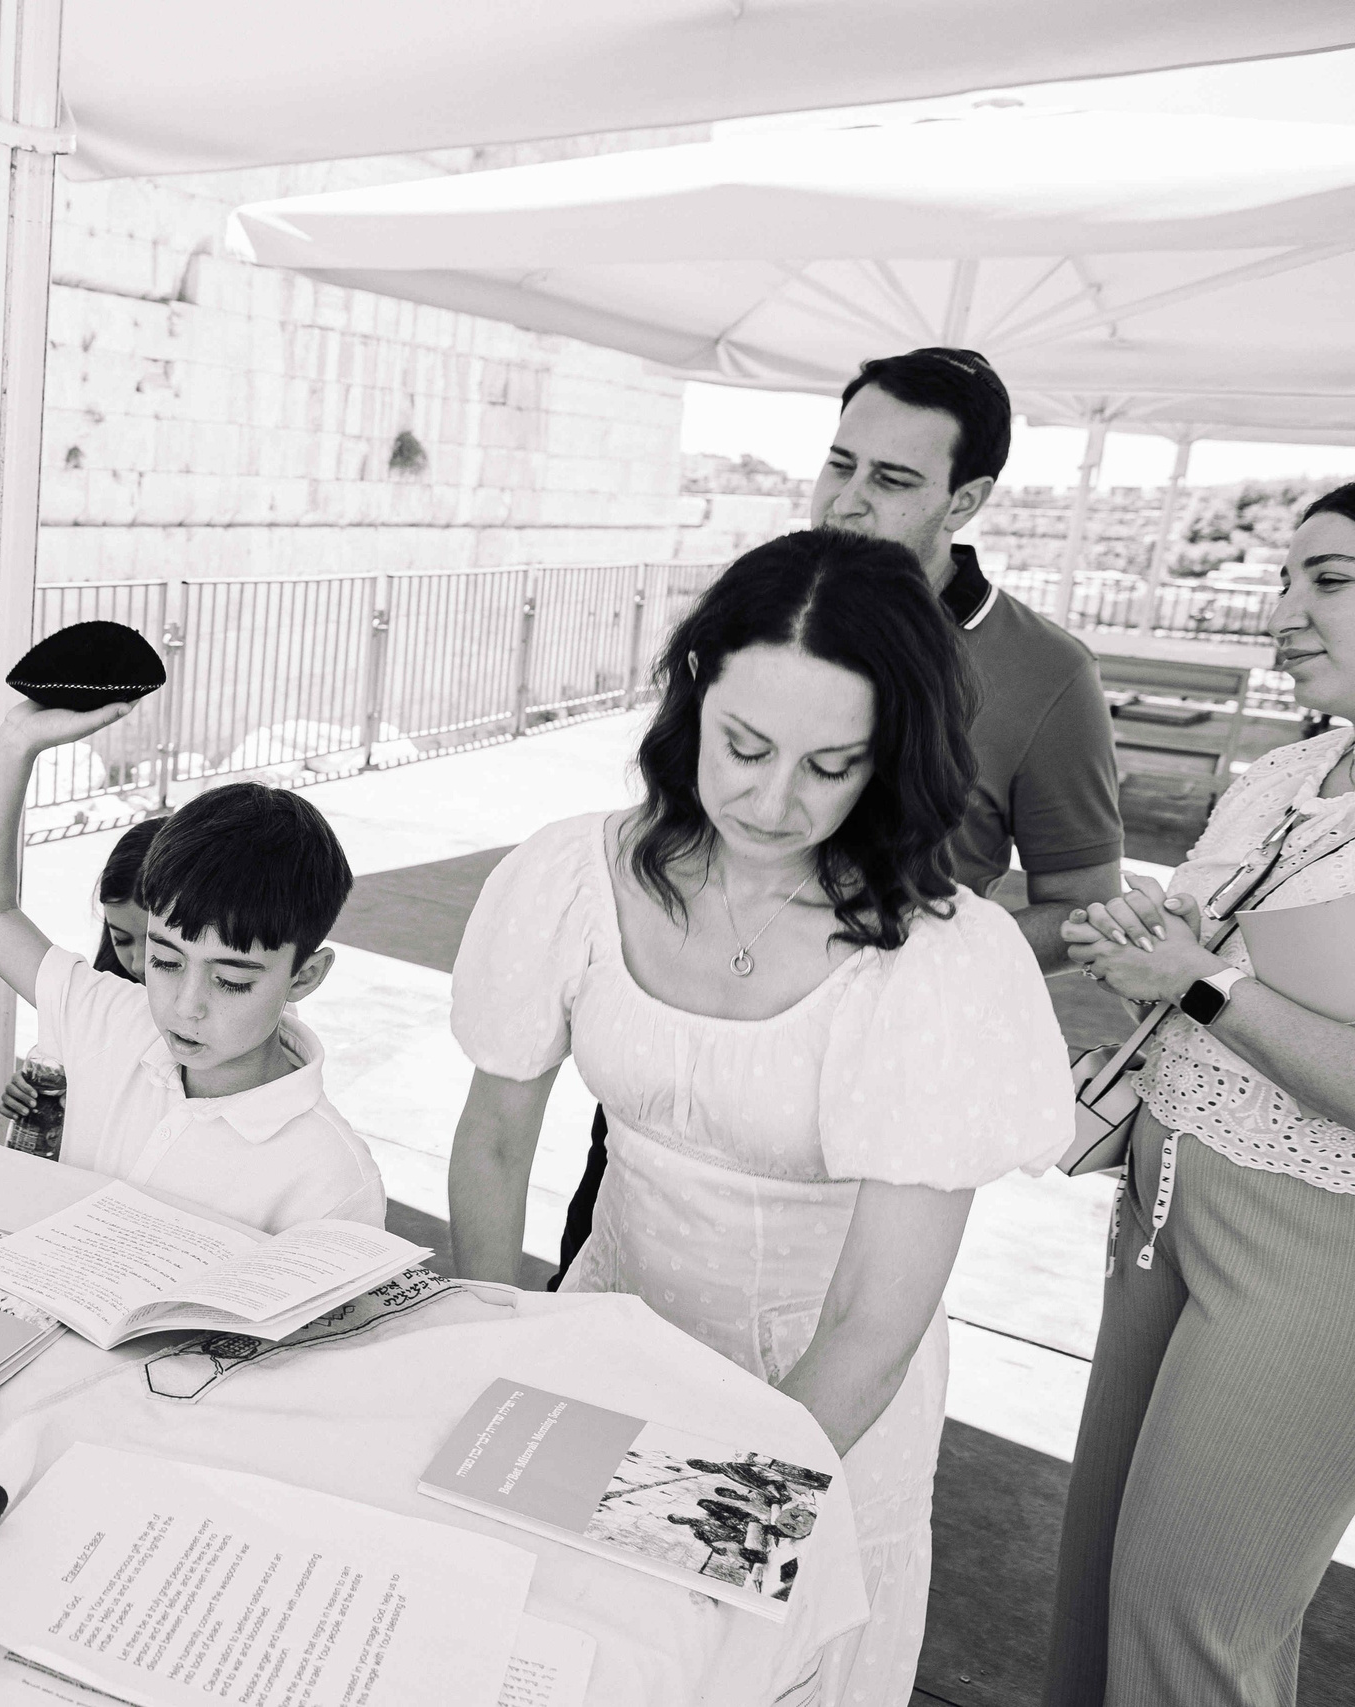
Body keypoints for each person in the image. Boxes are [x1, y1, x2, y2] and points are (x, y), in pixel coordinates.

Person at [446, 530, 1070, 1704]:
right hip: (609, 1326)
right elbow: (492, 1136)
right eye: (744, 746)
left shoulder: (936, 961)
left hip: (826, 1404)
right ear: (693, 696)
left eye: (831, 766)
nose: (772, 801)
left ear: (891, 759)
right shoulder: (571, 875)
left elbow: (873, 1318)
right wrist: (501, 1343)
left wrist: (725, 1515)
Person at [552, 347, 1124, 1286]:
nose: (847, 500)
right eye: (840, 463)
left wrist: (906, 951)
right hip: (674, 1056)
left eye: (893, 479)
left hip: (861, 1102)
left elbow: (1084, 905)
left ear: (967, 499)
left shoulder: (1050, 674)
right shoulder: (768, 606)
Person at [1044, 486, 1355, 1707]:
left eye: (1327, 580)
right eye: (1283, 580)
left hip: (1314, 1247)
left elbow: (1229, 987)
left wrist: (1205, 982)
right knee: (1098, 1578)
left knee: (1193, 1623)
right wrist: (1143, 958)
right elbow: (1206, 971)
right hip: (1159, 1198)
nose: (1283, 611)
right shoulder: (1287, 771)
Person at [0, 699, 384, 1233]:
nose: (185, 1007)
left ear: (306, 976)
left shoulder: (333, 1180)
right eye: (164, 960)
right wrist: (16, 742)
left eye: (230, 980)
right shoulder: (114, 1021)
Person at [0, 814, 166, 1126]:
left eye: (159, 943)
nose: (139, 963)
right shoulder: (99, 995)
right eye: (121, 939)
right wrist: (41, 1096)